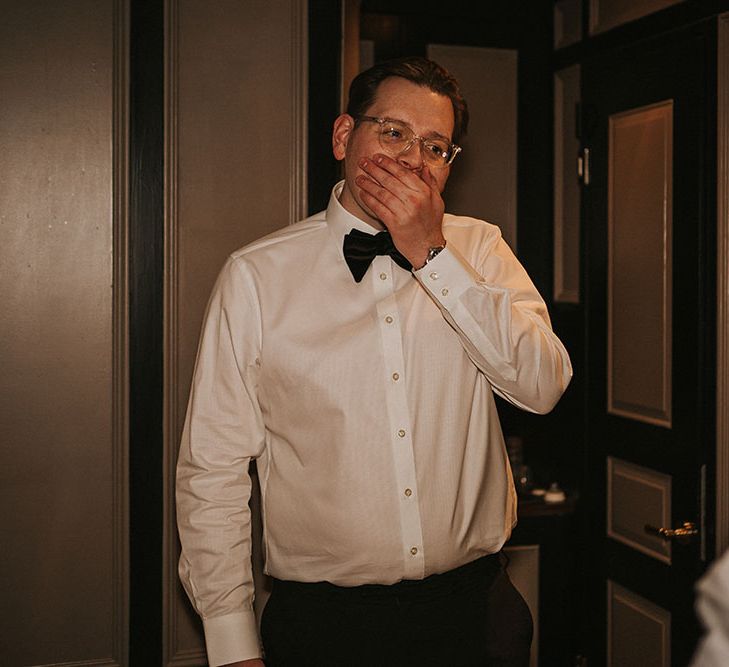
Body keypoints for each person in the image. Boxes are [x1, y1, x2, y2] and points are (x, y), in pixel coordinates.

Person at [176, 56, 572, 667]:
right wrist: (231, 640)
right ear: (343, 136)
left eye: (435, 147)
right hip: (324, 628)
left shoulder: (481, 248)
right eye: (393, 133)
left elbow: (543, 386)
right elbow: (213, 468)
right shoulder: (256, 277)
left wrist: (433, 255)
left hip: (475, 617)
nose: (413, 160)